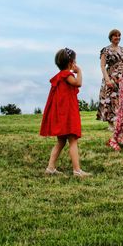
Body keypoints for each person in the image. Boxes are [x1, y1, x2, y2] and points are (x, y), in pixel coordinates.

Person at [40, 48, 90, 177]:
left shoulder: (59, 76)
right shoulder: (67, 75)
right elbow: (78, 83)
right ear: (71, 62)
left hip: (61, 114)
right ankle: (77, 170)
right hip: (67, 114)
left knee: (61, 141)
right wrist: (79, 72)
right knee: (73, 141)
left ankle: (50, 168)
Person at [96, 29, 123, 132]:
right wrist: (107, 79)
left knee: (122, 99)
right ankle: (111, 123)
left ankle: (121, 122)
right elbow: (102, 65)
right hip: (111, 76)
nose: (117, 37)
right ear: (111, 37)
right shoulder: (106, 50)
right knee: (111, 99)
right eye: (115, 36)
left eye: (119, 35)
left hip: (122, 77)